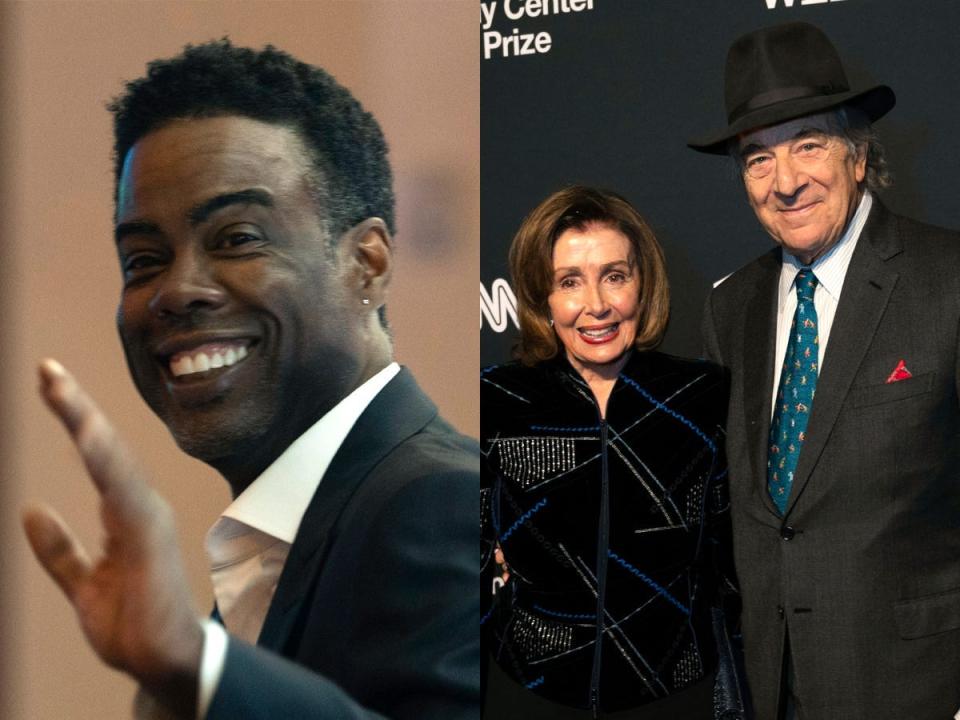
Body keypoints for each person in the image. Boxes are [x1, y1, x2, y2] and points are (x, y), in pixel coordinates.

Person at [22, 40, 479, 720]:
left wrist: (199, 667)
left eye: (236, 238)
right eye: (143, 258)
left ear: (368, 263)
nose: (175, 291)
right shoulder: (290, 533)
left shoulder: (444, 505)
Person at [691, 21, 960, 720]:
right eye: (757, 159)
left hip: (919, 691)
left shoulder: (948, 282)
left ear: (858, 155)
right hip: (770, 694)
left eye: (807, 145)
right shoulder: (728, 311)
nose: (785, 182)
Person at [481, 186, 740, 719]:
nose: (596, 305)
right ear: (541, 298)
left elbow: (732, 558)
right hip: (530, 693)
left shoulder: (701, 394)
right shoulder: (496, 399)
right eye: (569, 282)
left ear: (642, 287)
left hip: (675, 694)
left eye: (614, 276)